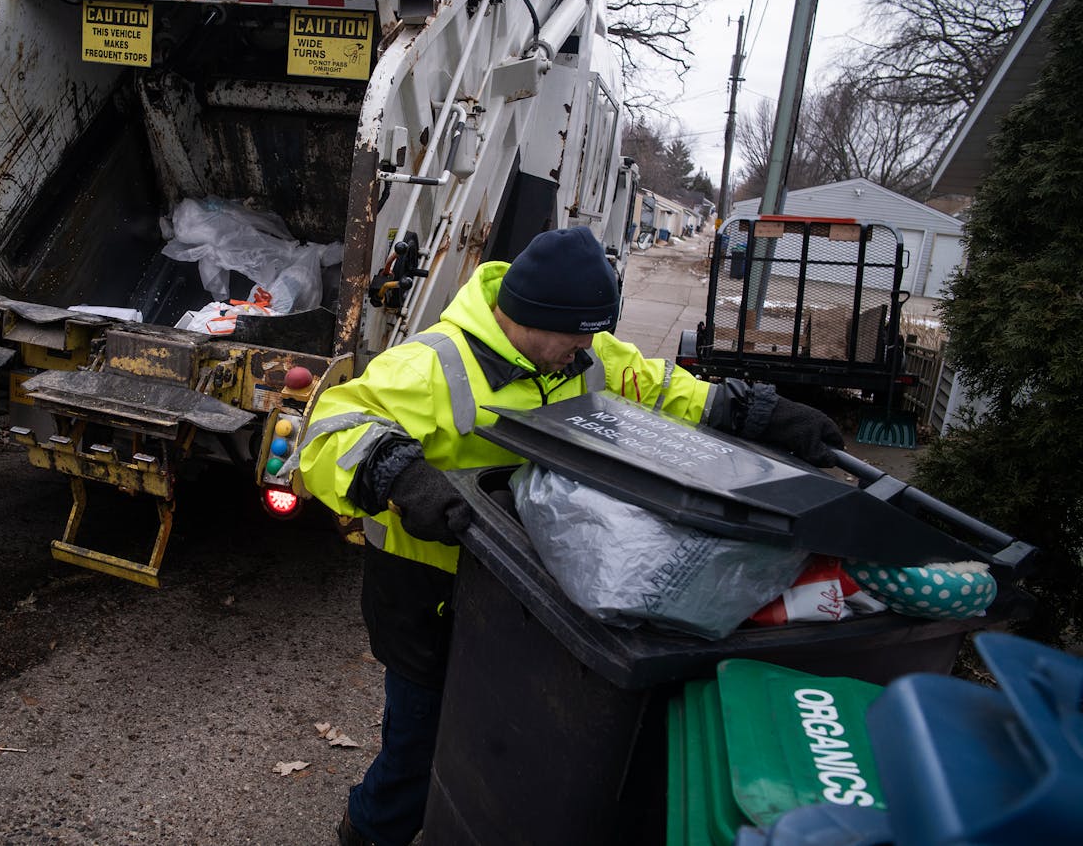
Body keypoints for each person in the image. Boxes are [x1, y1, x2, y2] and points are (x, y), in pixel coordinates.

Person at [295, 226, 843, 846]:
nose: (588, 346)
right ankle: (368, 833)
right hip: (429, 597)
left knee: (501, 733)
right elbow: (329, 429)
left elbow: (662, 390)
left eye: (593, 332)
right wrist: (401, 475)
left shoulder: (586, 358)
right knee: (416, 749)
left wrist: (757, 411)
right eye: (576, 332)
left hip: (532, 592)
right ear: (528, 316)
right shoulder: (428, 366)